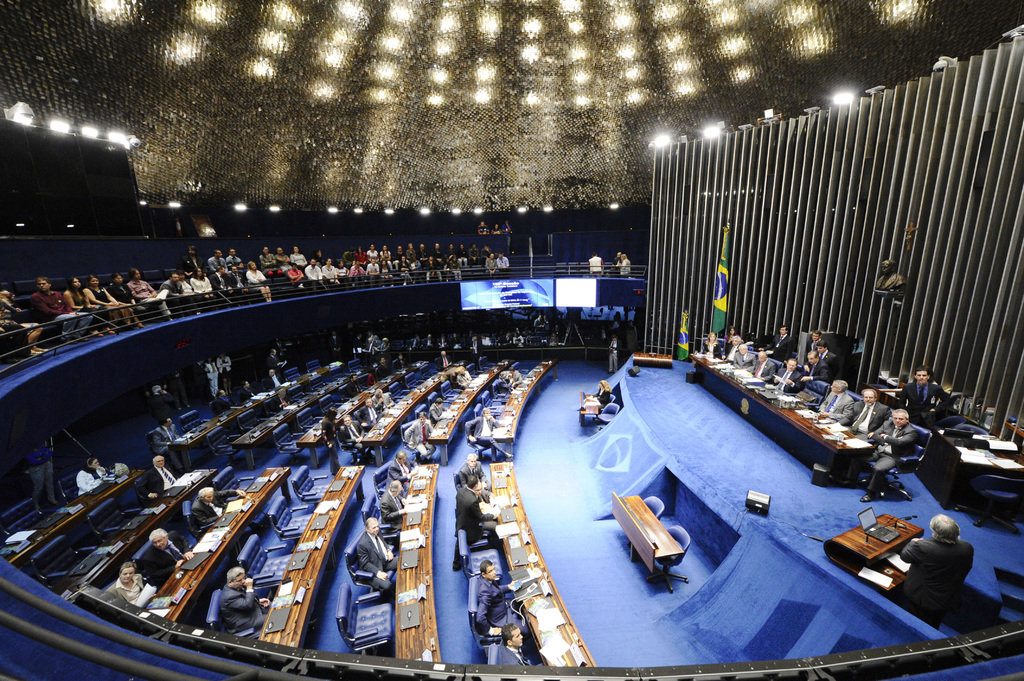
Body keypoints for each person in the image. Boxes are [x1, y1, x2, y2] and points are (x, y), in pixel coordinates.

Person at [900, 515, 974, 628]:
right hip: (947, 598)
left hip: (922, 599)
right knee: (934, 624)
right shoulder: (967, 548)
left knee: (916, 626)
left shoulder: (923, 547)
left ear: (936, 533)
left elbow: (904, 556)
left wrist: (914, 542)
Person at [860, 409, 918, 502]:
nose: (898, 420)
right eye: (895, 418)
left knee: (878, 469)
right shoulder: (887, 423)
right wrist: (888, 440)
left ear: (907, 420)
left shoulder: (911, 431)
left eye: (901, 419)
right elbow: (875, 434)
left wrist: (885, 436)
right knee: (857, 455)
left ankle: (871, 493)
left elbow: (899, 443)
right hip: (879, 450)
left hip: (891, 456)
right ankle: (850, 481)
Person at [453, 475, 497, 571]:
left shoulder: (460, 491)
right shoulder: (472, 501)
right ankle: (496, 543)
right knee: (494, 525)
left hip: (461, 522)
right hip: (472, 529)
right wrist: (493, 515)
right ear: (476, 484)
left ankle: (456, 564)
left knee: (458, 544)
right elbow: (481, 517)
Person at [476, 559, 524, 635]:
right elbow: (480, 617)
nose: (494, 572)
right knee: (527, 630)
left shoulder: (486, 579)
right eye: (490, 571)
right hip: (500, 617)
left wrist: (509, 587)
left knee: (522, 599)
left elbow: (494, 590)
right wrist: (491, 631)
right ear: (483, 574)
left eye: (494, 569)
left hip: (502, 604)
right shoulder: (484, 593)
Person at [220, 566, 270, 635]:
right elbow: (247, 605)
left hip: (250, 611)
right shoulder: (229, 597)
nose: (243, 581)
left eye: (244, 578)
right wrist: (249, 587)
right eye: (240, 580)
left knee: (276, 606)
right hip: (244, 622)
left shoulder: (235, 585)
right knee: (273, 617)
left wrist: (258, 600)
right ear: (230, 582)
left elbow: (246, 597)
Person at [357, 517, 399, 593]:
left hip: (383, 561)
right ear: (367, 529)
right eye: (374, 528)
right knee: (387, 585)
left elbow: (382, 542)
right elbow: (365, 564)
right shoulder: (362, 544)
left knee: (402, 561)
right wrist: (378, 573)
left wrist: (388, 550)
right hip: (373, 569)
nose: (377, 529)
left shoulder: (376, 531)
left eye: (377, 526)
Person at [0, 289, 44, 355]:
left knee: (37, 326)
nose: (8, 292)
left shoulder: (6, 301)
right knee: (35, 328)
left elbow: (16, 310)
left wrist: (11, 300)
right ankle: (26, 349)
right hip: (4, 324)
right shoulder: (2, 302)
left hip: (12, 323)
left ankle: (32, 347)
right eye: (5, 291)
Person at [25, 444, 58, 511]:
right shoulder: (27, 450)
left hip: (47, 465)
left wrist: (42, 458)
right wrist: (44, 456)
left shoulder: (40, 446)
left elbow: (50, 453)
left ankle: (51, 498)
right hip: (36, 469)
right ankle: (35, 504)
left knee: (50, 483)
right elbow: (33, 461)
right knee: (38, 487)